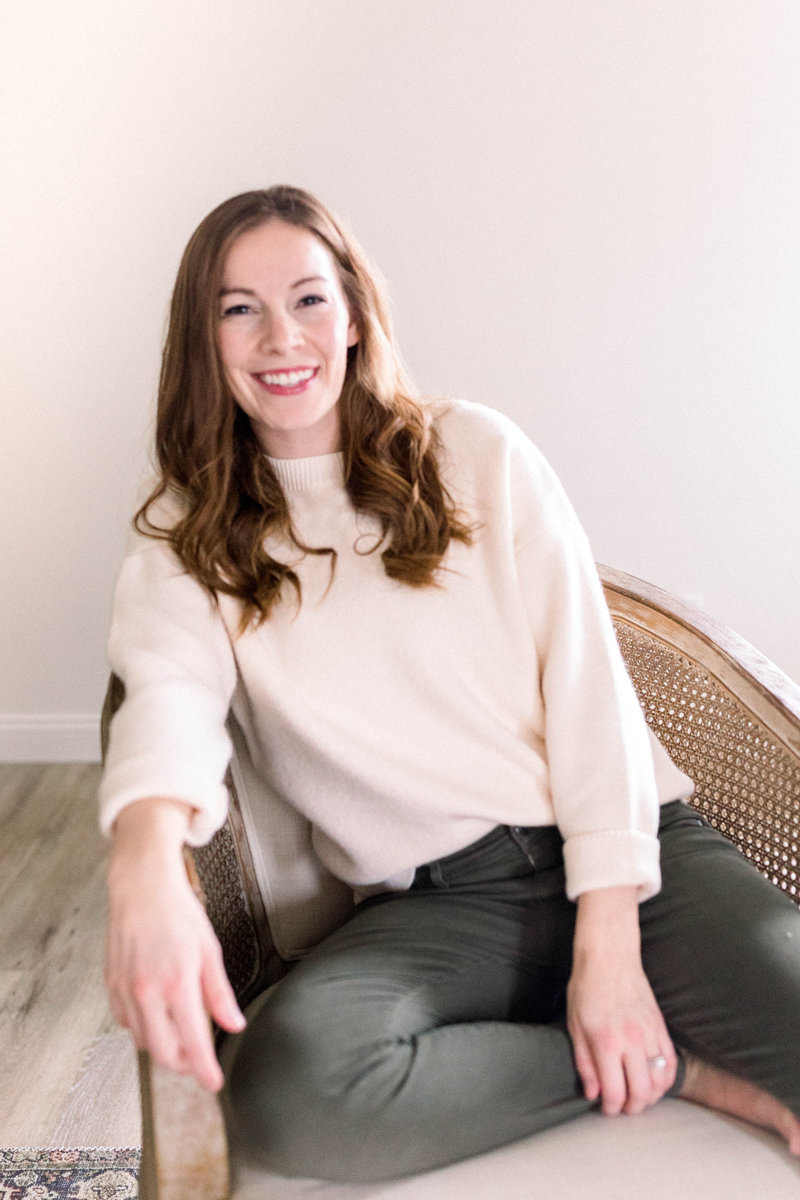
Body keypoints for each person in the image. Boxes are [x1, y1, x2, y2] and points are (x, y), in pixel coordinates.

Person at [101, 185, 800, 1183]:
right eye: (236, 308)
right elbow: (164, 700)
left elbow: (589, 692)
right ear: (202, 339)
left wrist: (607, 941)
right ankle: (666, 1067)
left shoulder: (475, 452)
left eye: (305, 298)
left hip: (637, 866)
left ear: (350, 317)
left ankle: (625, 1009)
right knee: (294, 1096)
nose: (277, 337)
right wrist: (139, 866)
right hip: (439, 909)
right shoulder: (186, 541)